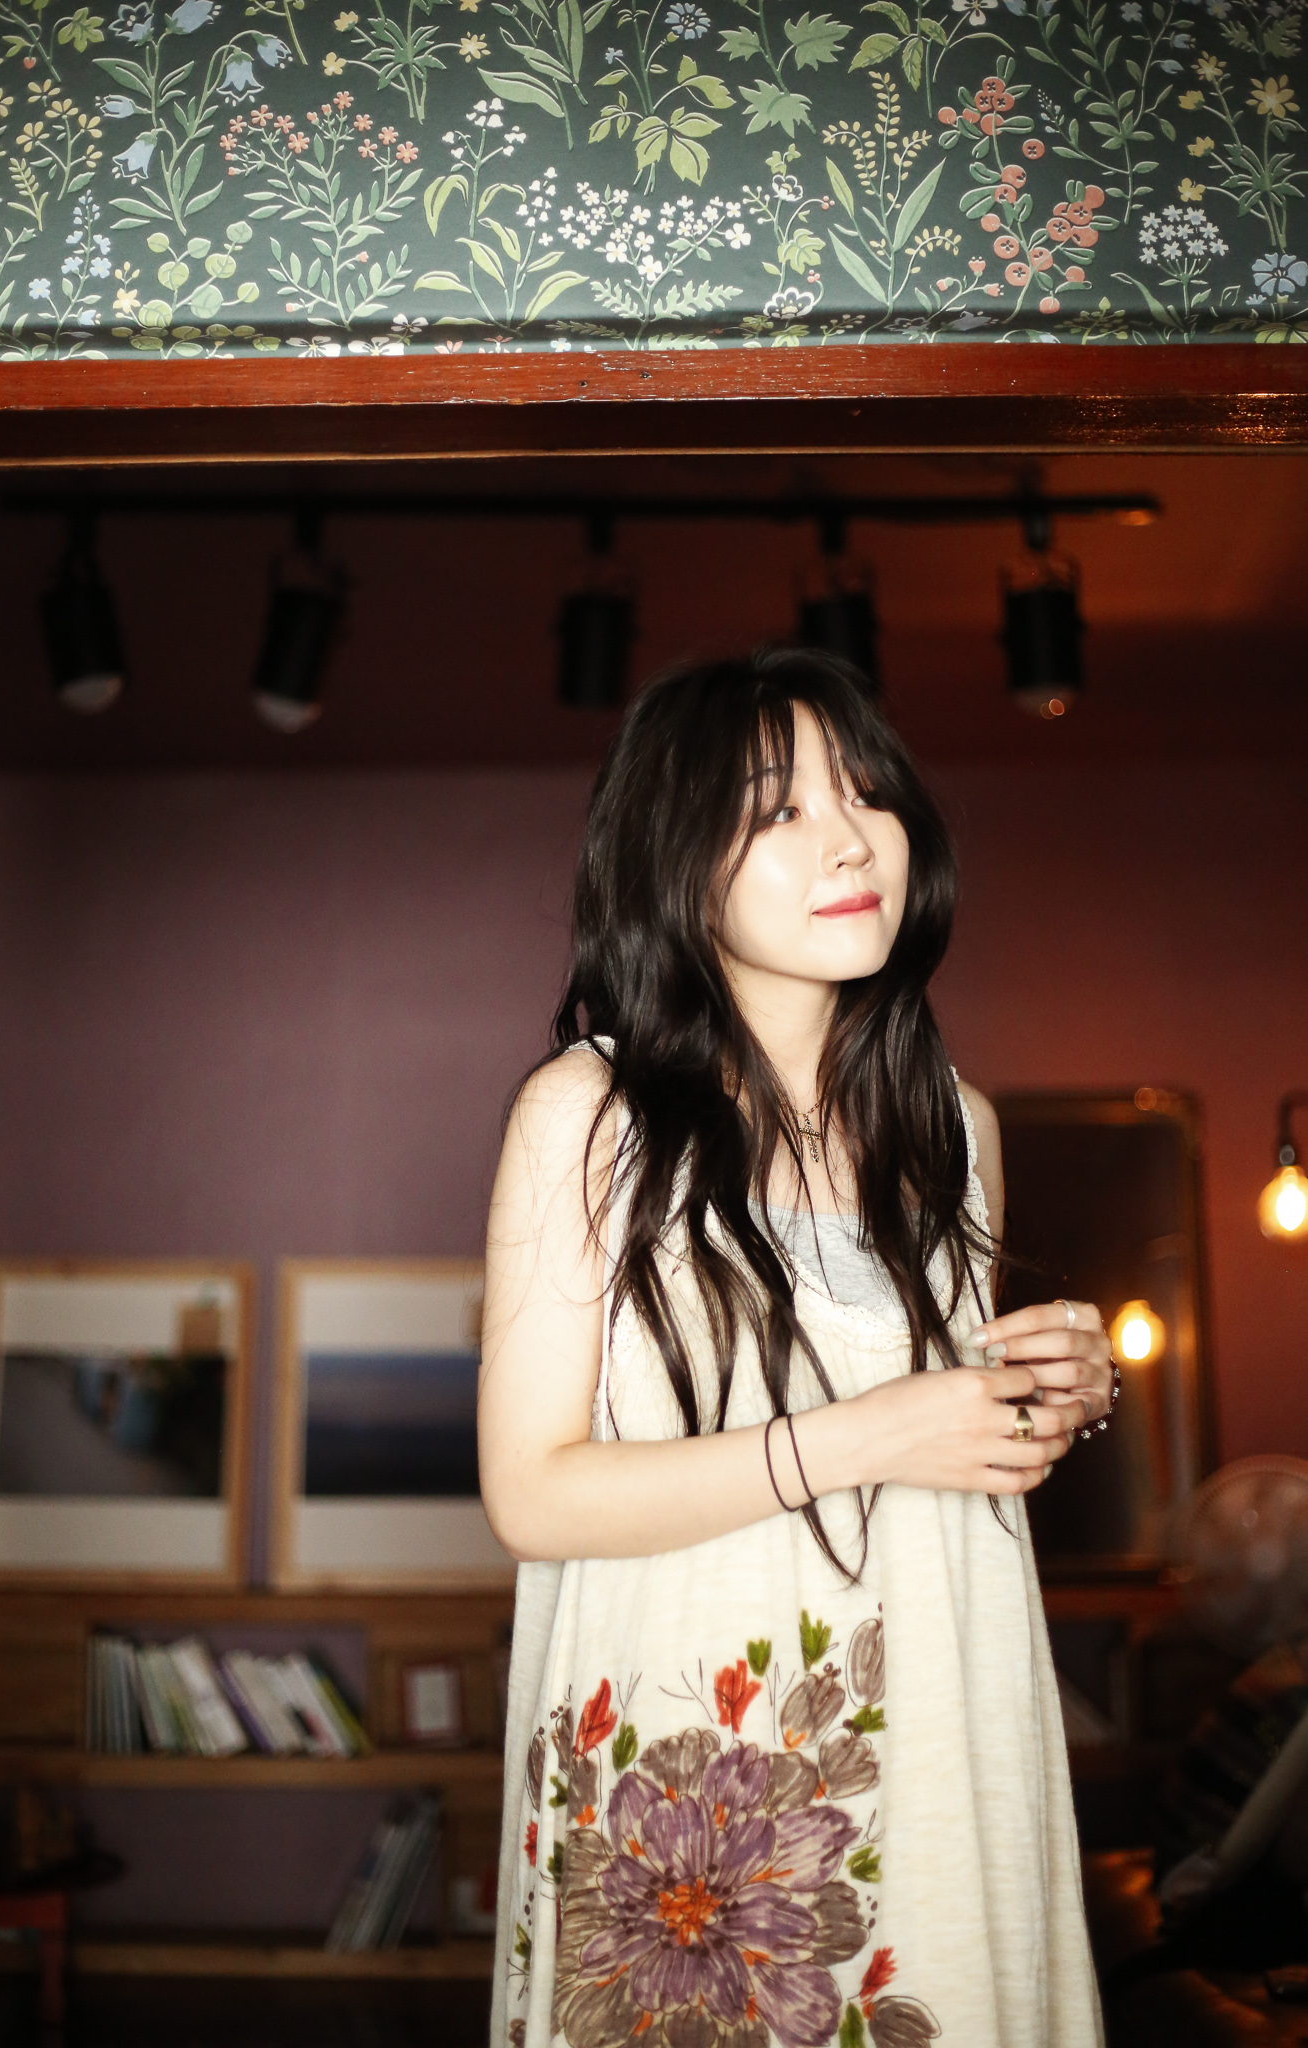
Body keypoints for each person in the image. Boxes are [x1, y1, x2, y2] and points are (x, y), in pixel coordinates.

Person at [479, 649, 1113, 2048]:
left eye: (867, 793)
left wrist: (1049, 1398)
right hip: (701, 1777)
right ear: (672, 860)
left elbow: (951, 1457)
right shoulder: (589, 1116)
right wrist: (871, 1431)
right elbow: (531, 1493)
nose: (850, 839)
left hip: (945, 1725)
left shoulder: (956, 1128)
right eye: (776, 810)